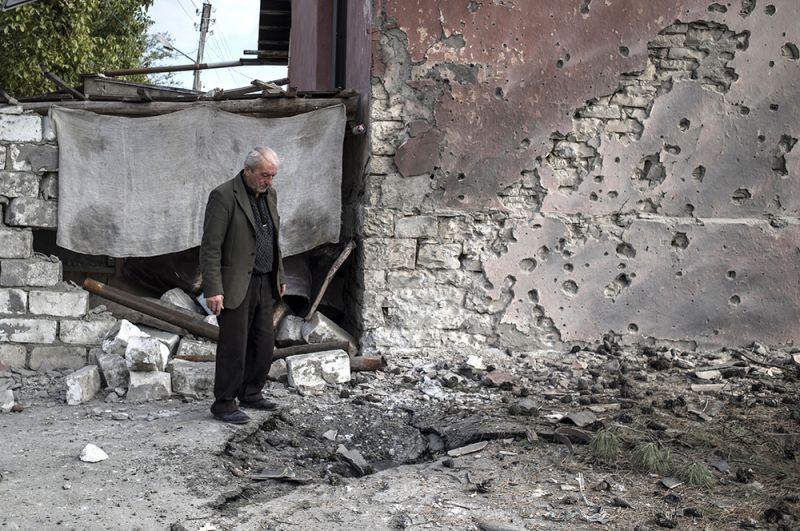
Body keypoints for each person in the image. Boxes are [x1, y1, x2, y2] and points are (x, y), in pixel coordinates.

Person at [200, 147, 286, 424]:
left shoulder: (270, 195)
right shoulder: (223, 196)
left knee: (264, 343)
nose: (269, 181)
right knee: (233, 345)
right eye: (264, 175)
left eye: (272, 176)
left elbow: (273, 239)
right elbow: (210, 247)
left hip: (264, 280)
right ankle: (224, 403)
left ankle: (251, 392)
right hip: (236, 282)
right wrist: (213, 288)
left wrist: (280, 275)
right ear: (247, 170)